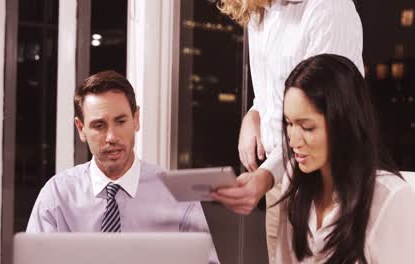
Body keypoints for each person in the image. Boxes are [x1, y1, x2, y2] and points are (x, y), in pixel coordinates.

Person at [212, 0, 364, 260]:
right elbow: (274, 94)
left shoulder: (328, 8)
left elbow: (327, 115)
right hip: (280, 181)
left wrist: (266, 175)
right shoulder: (259, 9)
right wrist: (254, 114)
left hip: (330, 182)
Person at [27, 71, 219, 264]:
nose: (111, 137)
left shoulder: (178, 195)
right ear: (81, 129)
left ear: (136, 119)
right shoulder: (57, 196)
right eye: (99, 125)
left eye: (120, 122)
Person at [275, 54, 415, 263]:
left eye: (307, 127)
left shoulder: (390, 198)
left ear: (343, 125)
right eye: (289, 123)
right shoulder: (294, 182)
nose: (293, 140)